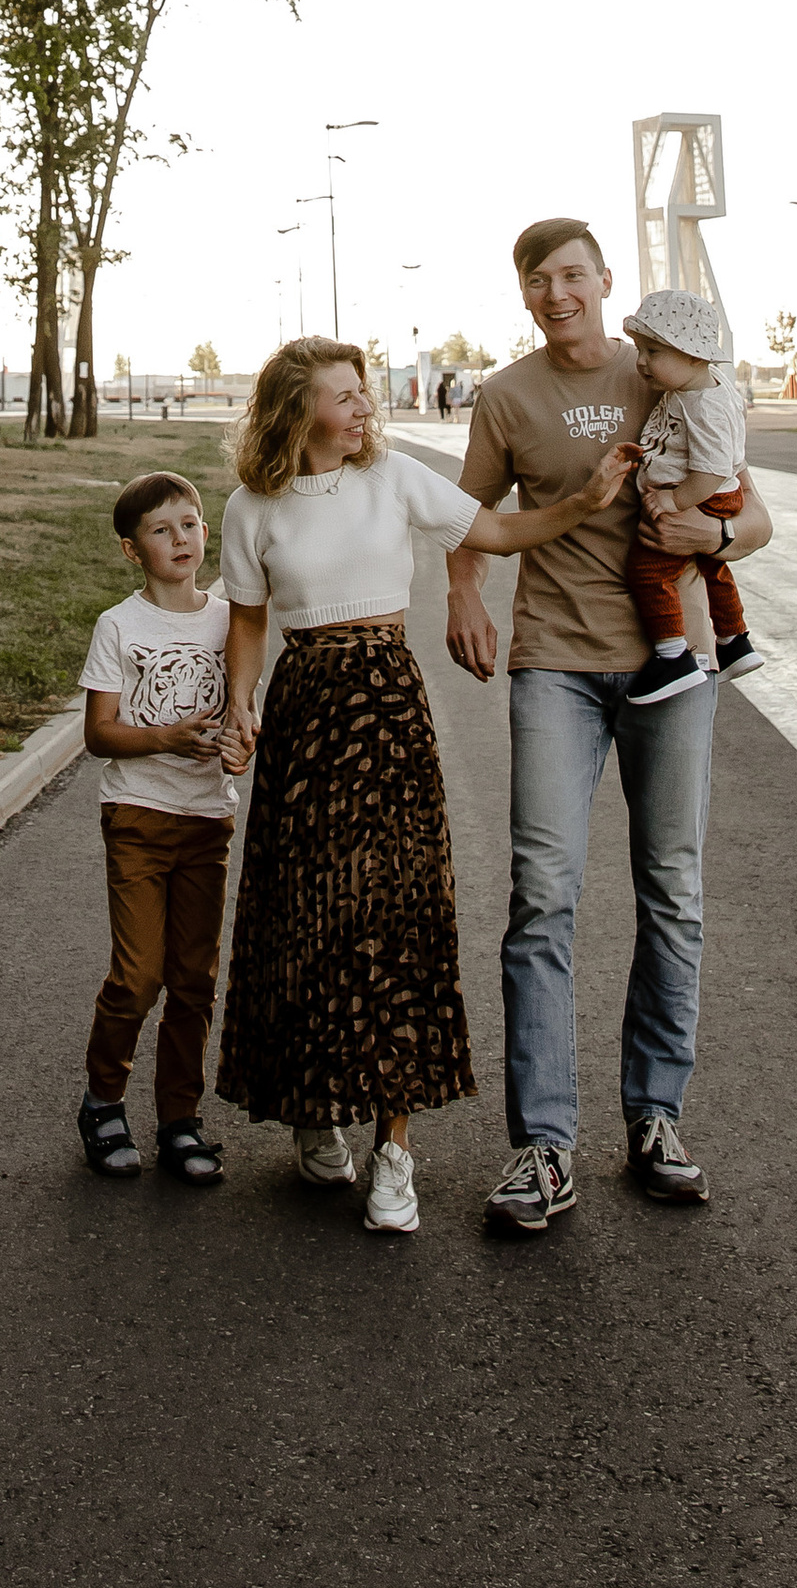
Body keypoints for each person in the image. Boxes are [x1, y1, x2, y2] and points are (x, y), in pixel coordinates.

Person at [215, 336, 624, 1235]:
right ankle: (318, 1113)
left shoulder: (394, 479)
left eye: (364, 393)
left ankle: (394, 1148)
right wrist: (240, 703)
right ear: (297, 410)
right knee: (306, 915)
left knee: (396, 919)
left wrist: (583, 502)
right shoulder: (252, 508)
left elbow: (499, 531)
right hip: (305, 706)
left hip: (387, 703)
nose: (364, 408)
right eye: (344, 396)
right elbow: (247, 622)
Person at [447, 218, 773, 1235]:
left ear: (605, 283)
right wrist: (466, 596)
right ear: (525, 294)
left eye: (573, 277)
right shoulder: (507, 397)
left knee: (670, 889)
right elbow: (467, 519)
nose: (557, 295)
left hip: (671, 675)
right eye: (538, 281)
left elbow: (753, 515)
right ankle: (543, 1146)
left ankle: (655, 1120)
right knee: (541, 895)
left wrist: (715, 533)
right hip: (555, 664)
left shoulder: (668, 371)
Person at [75, 471, 235, 1185]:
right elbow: (101, 734)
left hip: (207, 818)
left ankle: (180, 1120)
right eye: (161, 529)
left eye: (191, 523)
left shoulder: (231, 617)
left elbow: (243, 714)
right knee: (139, 977)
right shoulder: (120, 625)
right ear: (131, 550)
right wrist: (165, 738)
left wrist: (240, 743)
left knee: (194, 980)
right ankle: (104, 1101)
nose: (181, 538)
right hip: (138, 814)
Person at [619, 287, 762, 689]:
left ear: (695, 355)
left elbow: (714, 469)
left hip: (703, 497)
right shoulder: (695, 389)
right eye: (639, 350)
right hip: (711, 497)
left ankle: (672, 656)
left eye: (654, 352)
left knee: (648, 572)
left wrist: (674, 499)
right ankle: (735, 641)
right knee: (714, 568)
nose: (642, 362)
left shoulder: (704, 404)